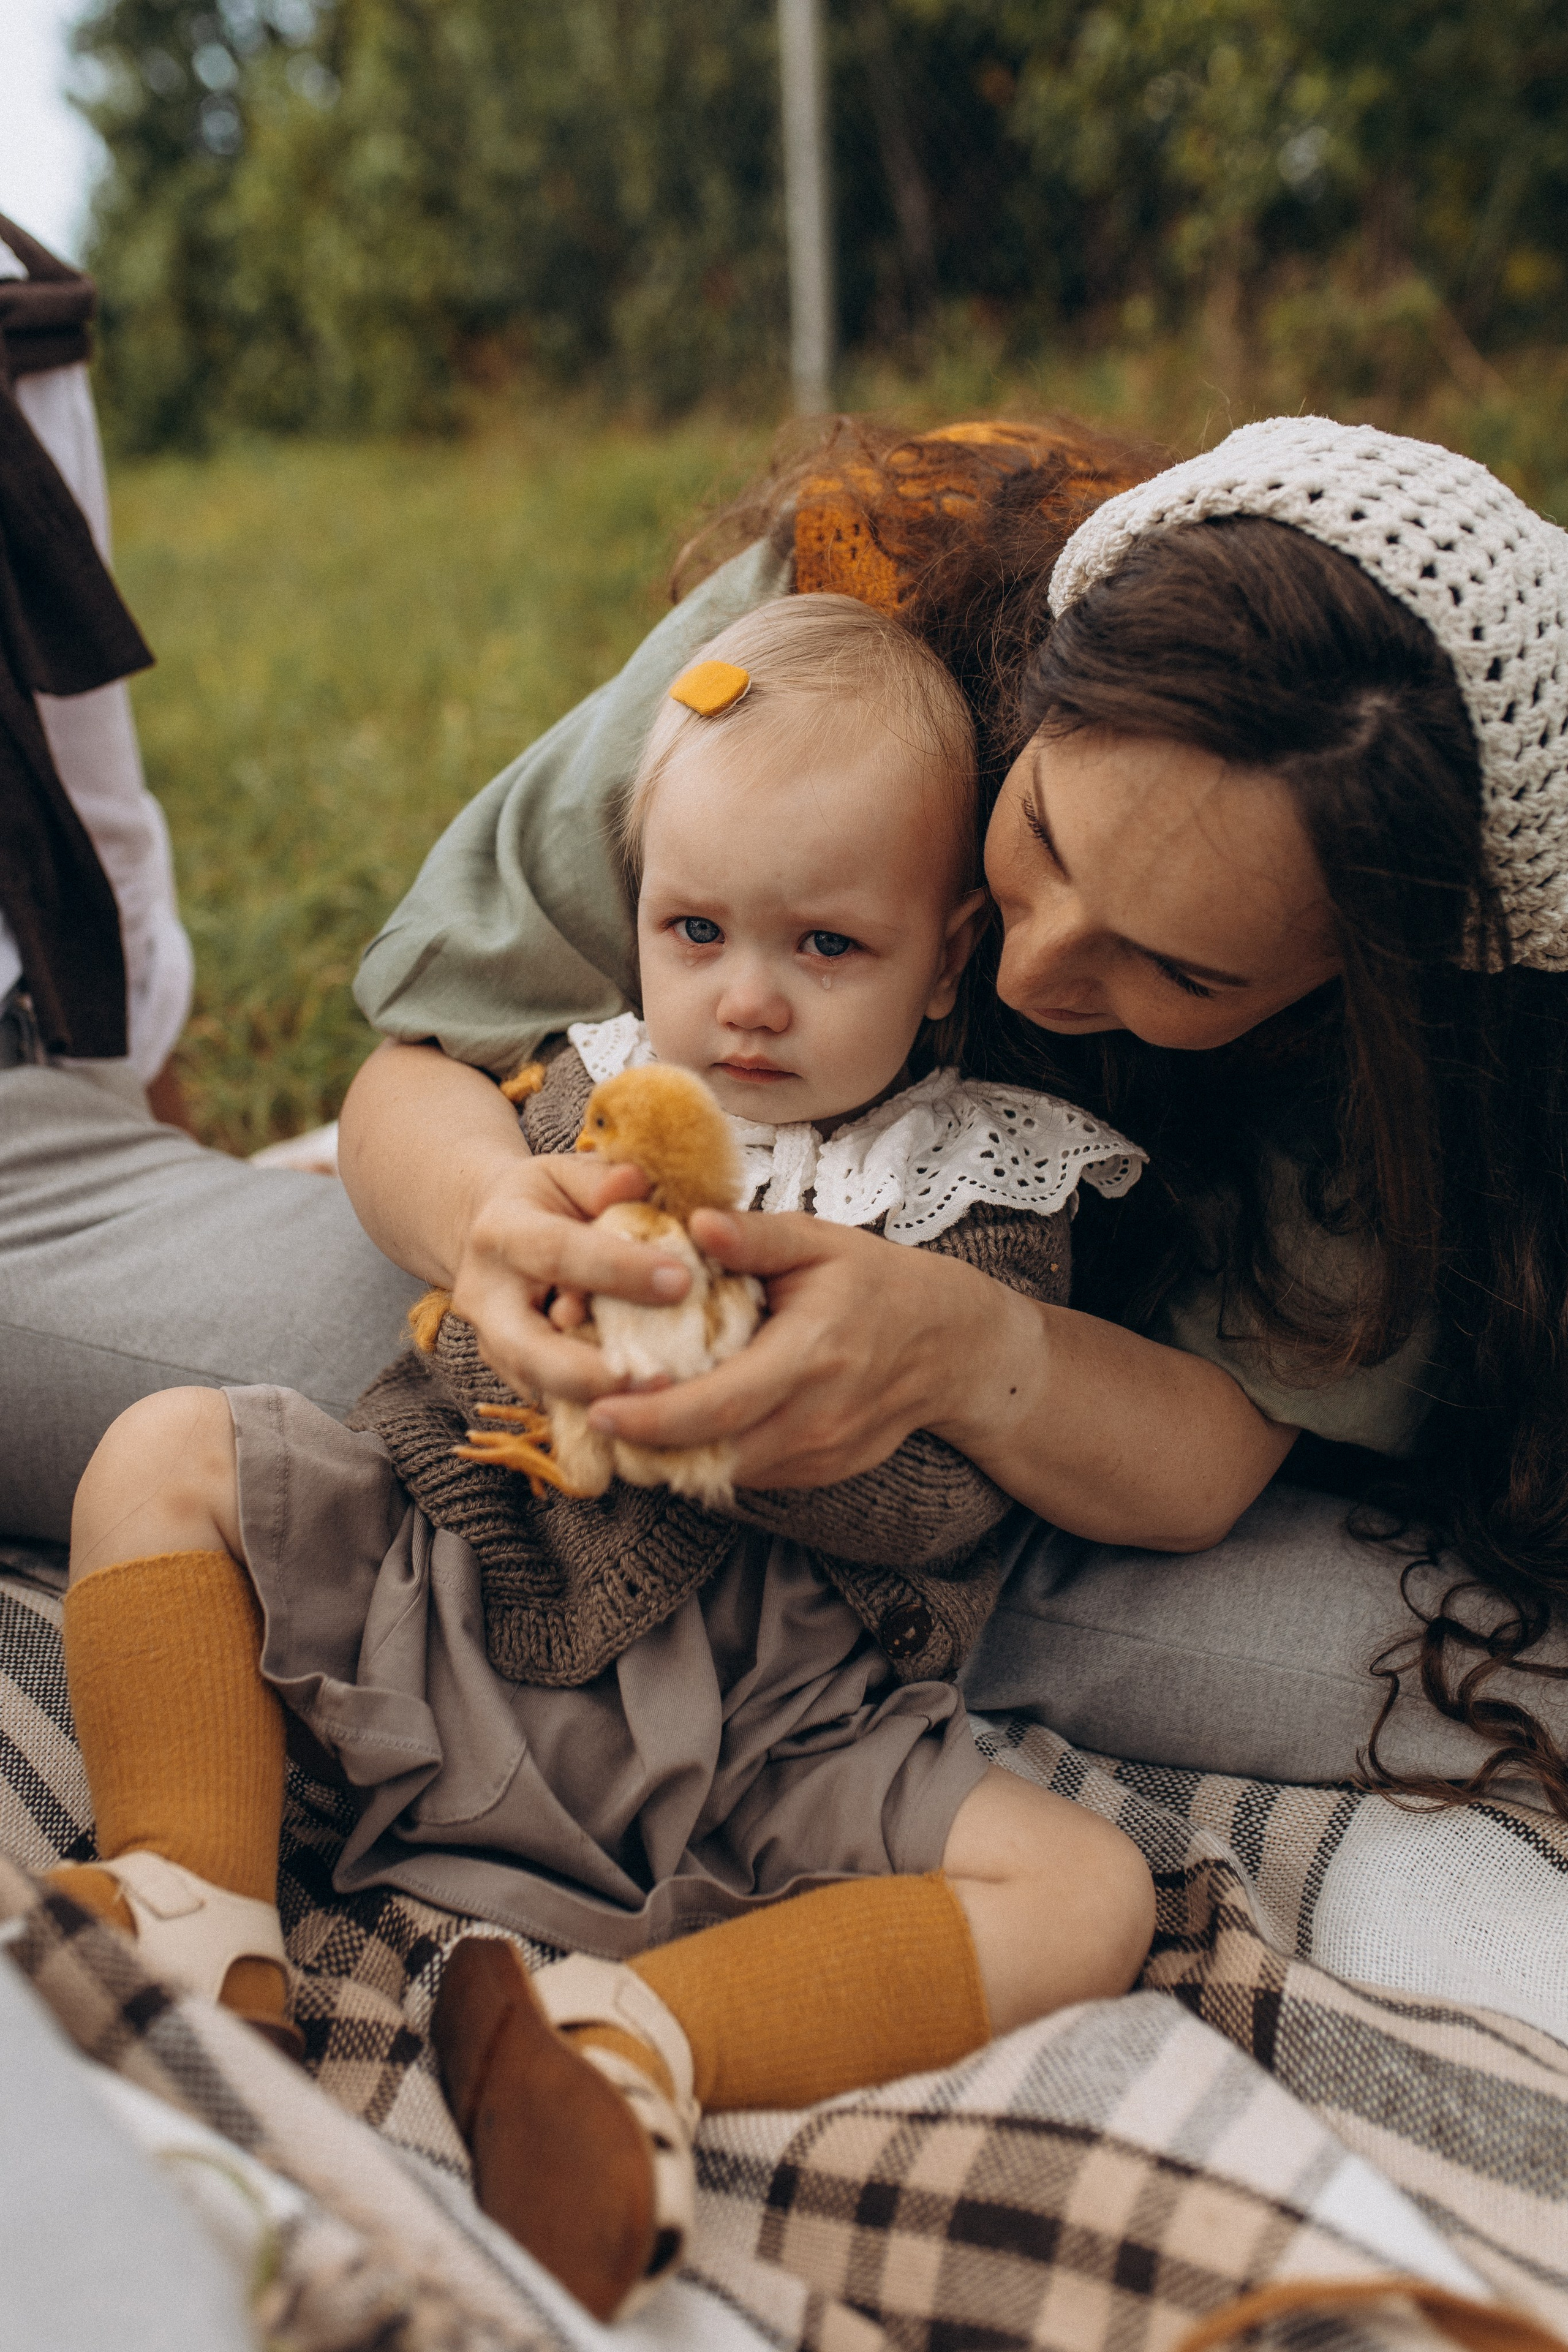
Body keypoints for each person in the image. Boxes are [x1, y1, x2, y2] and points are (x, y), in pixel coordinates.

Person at [55, 594, 1156, 2321]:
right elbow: (450, 1279)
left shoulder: (975, 1184)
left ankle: (631, 2044)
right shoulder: (591, 1098)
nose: (748, 1001)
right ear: (634, 914)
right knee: (161, 1452)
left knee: (1087, 1891)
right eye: (697, 927)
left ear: (948, 957)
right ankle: (197, 1920)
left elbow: (952, 1500)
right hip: (456, 1583)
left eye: (828, 948)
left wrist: (777, 1437)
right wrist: (522, 1275)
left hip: (764, 1715)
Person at [334, 413, 1568, 1811]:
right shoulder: (816, 657)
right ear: (1036, 684)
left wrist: (966, 1352)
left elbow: (1215, 1447)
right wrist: (490, 1221)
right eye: (1040, 830)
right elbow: (422, 1046)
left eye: (1180, 970)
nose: (1030, 969)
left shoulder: (1403, 1076)